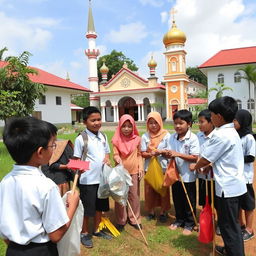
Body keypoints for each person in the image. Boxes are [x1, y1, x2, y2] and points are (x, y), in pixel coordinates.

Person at [0, 116, 79, 256]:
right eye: (53, 145)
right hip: (41, 251)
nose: (54, 149)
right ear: (40, 152)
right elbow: (56, 235)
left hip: (12, 250)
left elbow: (6, 233)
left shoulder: (5, 182)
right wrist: (72, 206)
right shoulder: (46, 186)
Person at [190, 96, 247, 256]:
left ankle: (235, 252)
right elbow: (220, 158)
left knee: (229, 226)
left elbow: (206, 159)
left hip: (227, 188)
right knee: (230, 223)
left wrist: (196, 166)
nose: (211, 117)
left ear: (219, 117)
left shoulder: (221, 135)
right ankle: (229, 249)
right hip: (234, 185)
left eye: (212, 114)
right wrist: (209, 165)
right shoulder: (231, 131)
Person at [73, 106, 112, 249]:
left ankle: (97, 230)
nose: (96, 123)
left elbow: (107, 153)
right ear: (85, 122)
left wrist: (107, 159)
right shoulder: (81, 139)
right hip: (87, 180)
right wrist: (80, 167)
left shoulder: (103, 136)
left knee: (99, 207)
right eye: (93, 120)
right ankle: (84, 233)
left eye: (99, 119)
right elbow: (76, 159)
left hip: (102, 179)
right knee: (87, 209)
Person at [167, 109, 199, 235]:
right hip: (175, 174)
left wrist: (177, 154)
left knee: (189, 199)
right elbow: (171, 152)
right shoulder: (172, 137)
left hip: (188, 175)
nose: (177, 126)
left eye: (181, 123)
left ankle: (189, 223)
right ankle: (179, 220)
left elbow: (195, 157)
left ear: (189, 124)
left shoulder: (193, 138)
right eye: (175, 123)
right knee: (177, 198)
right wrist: (168, 154)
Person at [112, 114, 143, 232]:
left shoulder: (137, 139)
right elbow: (115, 154)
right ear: (119, 126)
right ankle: (121, 220)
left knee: (134, 196)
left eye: (129, 126)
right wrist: (117, 159)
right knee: (120, 196)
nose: (126, 129)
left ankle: (134, 219)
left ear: (133, 127)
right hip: (120, 171)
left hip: (134, 171)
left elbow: (139, 155)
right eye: (124, 126)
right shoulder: (116, 139)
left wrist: (140, 168)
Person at [141, 112, 171, 223]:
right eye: (151, 123)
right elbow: (142, 153)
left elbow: (169, 151)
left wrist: (161, 152)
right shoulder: (145, 136)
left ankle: (163, 211)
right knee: (150, 190)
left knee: (163, 189)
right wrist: (151, 154)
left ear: (160, 123)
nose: (153, 125)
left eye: (156, 123)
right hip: (149, 167)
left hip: (162, 167)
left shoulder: (166, 135)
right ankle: (151, 212)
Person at [234, 109, 255, 242]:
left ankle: (249, 229)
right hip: (236, 177)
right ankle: (241, 225)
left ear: (243, 121)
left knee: (248, 204)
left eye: (236, 120)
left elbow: (251, 157)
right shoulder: (235, 135)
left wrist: (235, 158)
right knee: (238, 204)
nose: (233, 122)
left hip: (245, 177)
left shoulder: (249, 138)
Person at [196, 109, 215, 208]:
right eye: (198, 122)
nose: (199, 124)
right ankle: (206, 216)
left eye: (202, 122)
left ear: (211, 122)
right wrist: (198, 164)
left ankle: (216, 218)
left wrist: (210, 165)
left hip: (214, 175)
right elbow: (196, 153)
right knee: (204, 199)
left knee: (216, 200)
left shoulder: (217, 136)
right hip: (202, 174)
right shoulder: (198, 136)